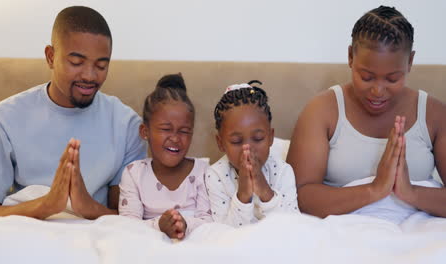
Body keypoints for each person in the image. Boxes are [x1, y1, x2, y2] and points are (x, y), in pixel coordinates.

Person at [0, 6, 146, 221]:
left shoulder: (127, 124)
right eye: (76, 62)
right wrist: (45, 205)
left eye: (101, 66)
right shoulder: (0, 121)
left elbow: (129, 218)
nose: (89, 75)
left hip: (95, 236)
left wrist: (87, 206)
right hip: (27, 233)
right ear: (50, 56)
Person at [287, 6, 446, 219]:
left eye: (392, 79)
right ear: (351, 56)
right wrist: (375, 189)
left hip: (418, 236)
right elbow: (299, 196)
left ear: (410, 62)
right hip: (341, 236)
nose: (378, 91)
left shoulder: (434, 114)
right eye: (366, 77)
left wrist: (411, 192)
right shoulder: (322, 111)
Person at [118, 74, 211, 240]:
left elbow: (211, 223)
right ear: (144, 131)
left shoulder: (204, 172)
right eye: (166, 129)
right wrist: (159, 225)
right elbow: (127, 226)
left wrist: (185, 224)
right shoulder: (134, 173)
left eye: (184, 131)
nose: (175, 138)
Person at [205, 81, 299, 228]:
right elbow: (223, 234)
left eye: (258, 139)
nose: (247, 149)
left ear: (271, 137)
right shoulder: (216, 175)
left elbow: (293, 227)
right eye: (236, 141)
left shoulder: (283, 171)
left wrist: (265, 191)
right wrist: (243, 195)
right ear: (220, 142)